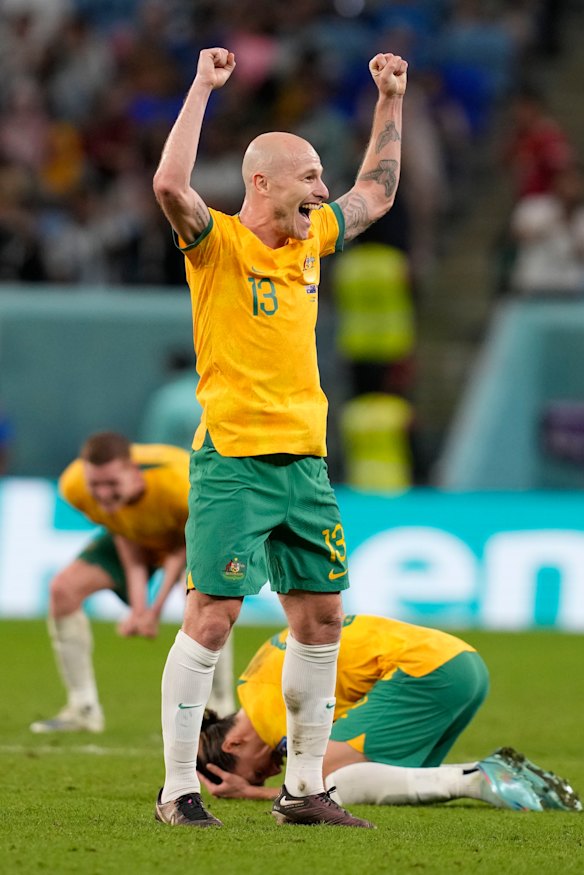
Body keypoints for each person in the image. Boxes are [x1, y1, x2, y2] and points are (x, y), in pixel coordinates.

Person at [152, 45, 407, 828]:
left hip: (306, 465)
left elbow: (378, 192)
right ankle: (176, 790)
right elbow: (169, 184)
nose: (322, 190)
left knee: (321, 617)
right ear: (260, 182)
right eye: (309, 177)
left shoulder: (313, 243)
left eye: (321, 179)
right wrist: (200, 87)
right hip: (232, 460)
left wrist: (391, 99)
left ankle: (302, 790)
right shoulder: (216, 244)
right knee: (214, 616)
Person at [197, 615, 582, 814]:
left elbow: (312, 785)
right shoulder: (257, 680)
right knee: (399, 782)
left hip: (427, 671)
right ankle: (518, 780)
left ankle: (479, 777)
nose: (274, 769)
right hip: (461, 662)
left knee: (327, 776)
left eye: (259, 769)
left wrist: (250, 792)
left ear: (235, 741)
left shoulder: (268, 715)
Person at [30, 431, 235, 734]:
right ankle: (82, 708)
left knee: (207, 599)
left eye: (111, 484)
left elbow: (183, 546)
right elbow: (123, 529)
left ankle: (221, 710)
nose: (102, 492)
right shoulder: (74, 486)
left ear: (134, 471)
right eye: (95, 484)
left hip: (188, 538)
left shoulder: (179, 483)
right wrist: (139, 609)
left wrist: (154, 611)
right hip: (138, 536)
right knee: (63, 589)